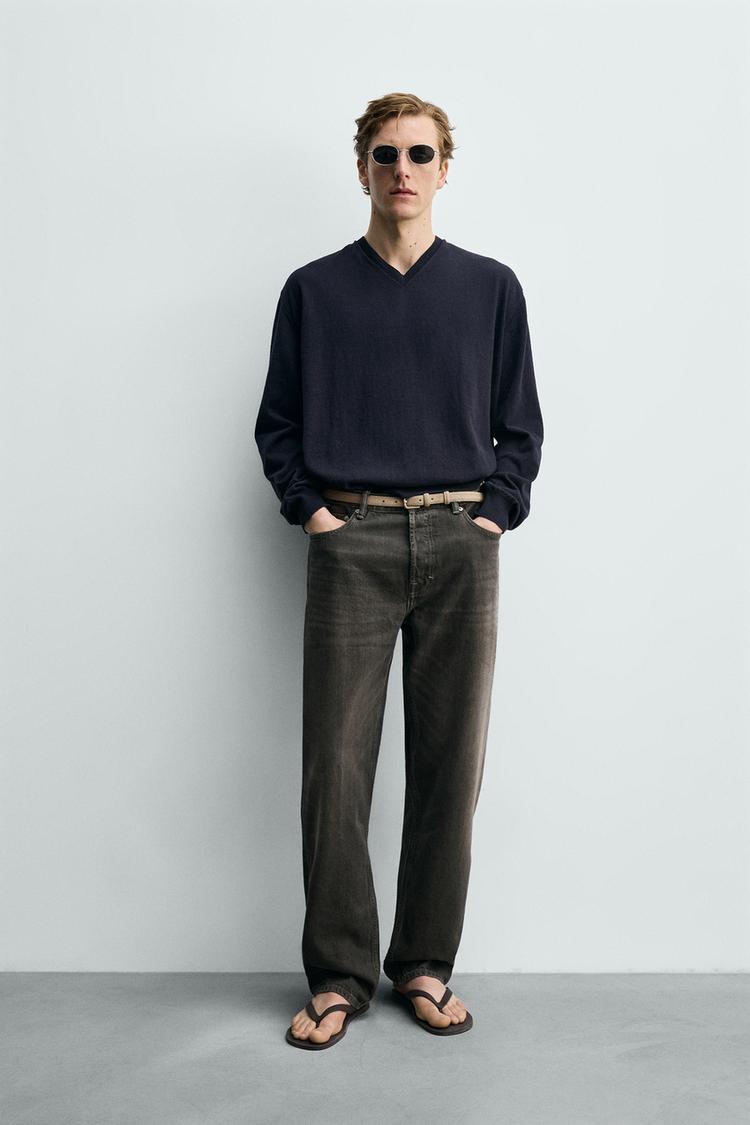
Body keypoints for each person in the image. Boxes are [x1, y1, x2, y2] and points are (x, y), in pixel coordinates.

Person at [254, 92, 544, 1050]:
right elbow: (278, 424)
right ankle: (339, 974)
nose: (403, 170)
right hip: (355, 539)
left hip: (462, 537)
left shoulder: (491, 287)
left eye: (421, 154)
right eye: (386, 154)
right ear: (363, 169)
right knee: (335, 765)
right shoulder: (314, 290)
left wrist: (495, 512)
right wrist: (316, 513)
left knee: (450, 761)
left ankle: (423, 962)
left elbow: (521, 426)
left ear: (445, 169)